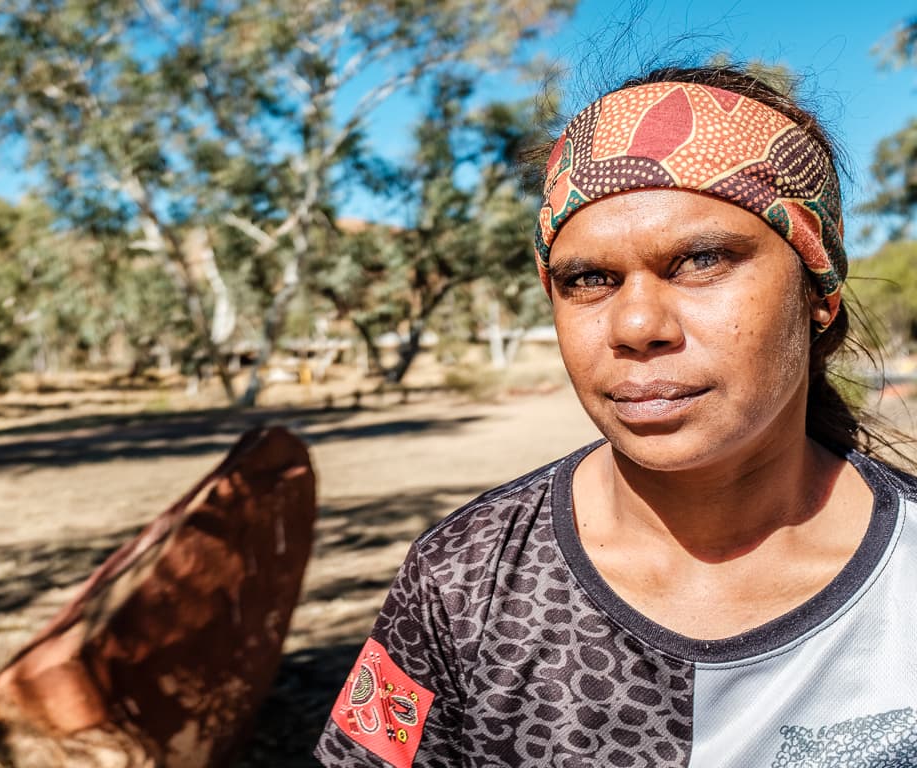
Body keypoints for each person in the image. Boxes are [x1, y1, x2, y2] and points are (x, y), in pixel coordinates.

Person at [314, 65, 917, 768]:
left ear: (818, 293)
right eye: (587, 279)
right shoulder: (463, 582)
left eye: (701, 259)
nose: (634, 325)